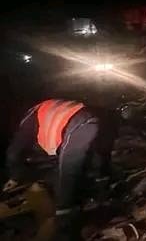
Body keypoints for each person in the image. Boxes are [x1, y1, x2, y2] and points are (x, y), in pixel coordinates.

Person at [3, 99, 117, 239]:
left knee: (69, 167)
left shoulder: (29, 119)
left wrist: (15, 177)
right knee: (98, 155)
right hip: (98, 116)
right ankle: (102, 191)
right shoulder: (48, 107)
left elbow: (14, 152)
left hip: (80, 123)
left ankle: (66, 217)